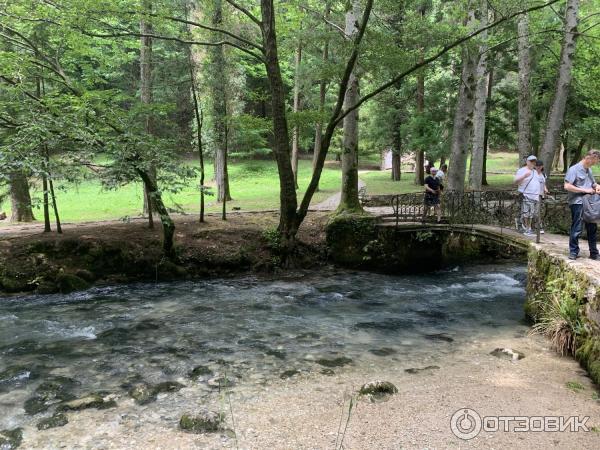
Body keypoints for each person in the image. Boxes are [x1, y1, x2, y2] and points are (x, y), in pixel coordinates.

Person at [564, 150, 600, 260]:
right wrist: (585, 190)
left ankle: (594, 253)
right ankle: (573, 252)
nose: (596, 163)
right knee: (577, 227)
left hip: (590, 203)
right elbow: (567, 186)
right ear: (589, 158)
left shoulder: (588, 170)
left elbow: (592, 183)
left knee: (592, 227)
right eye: (596, 160)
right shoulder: (574, 169)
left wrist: (597, 186)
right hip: (577, 202)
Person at [514, 155, 541, 236]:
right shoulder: (522, 170)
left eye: (534, 161)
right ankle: (527, 229)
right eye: (531, 161)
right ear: (527, 162)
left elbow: (537, 183)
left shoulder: (535, 171)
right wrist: (524, 176)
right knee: (526, 213)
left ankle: (528, 228)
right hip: (526, 195)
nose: (533, 163)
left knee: (532, 213)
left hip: (535, 196)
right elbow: (515, 182)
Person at [535, 160, 549, 234]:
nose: (538, 167)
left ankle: (538, 226)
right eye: (537, 166)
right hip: (534, 195)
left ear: (542, 166)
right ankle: (538, 227)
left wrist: (545, 189)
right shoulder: (533, 174)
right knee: (535, 211)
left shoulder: (543, 174)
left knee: (539, 211)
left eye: (540, 166)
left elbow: (544, 184)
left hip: (541, 195)